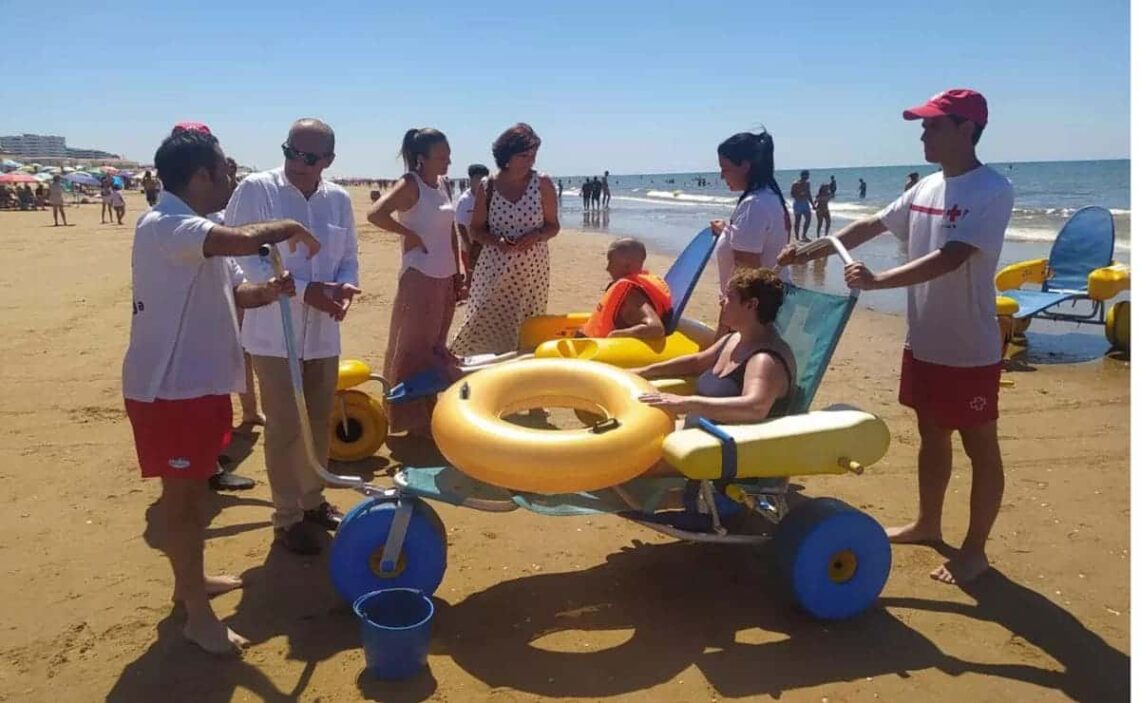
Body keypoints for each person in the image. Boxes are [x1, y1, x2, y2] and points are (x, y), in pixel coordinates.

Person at [779, 88, 1012, 585]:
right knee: (931, 432)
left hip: (970, 349)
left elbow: (952, 257)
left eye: (933, 125)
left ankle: (975, 551)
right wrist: (811, 249)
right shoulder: (927, 187)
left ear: (966, 129)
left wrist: (880, 280)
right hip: (924, 339)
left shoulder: (992, 190)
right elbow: (872, 223)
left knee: (980, 446)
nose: (923, 133)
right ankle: (929, 523)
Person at [122, 126, 320, 653]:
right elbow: (243, 240)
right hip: (170, 391)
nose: (231, 175)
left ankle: (190, 584)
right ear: (202, 174)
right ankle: (196, 615)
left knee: (191, 498)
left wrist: (271, 289)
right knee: (185, 505)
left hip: (202, 387)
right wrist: (291, 224)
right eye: (224, 167)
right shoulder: (165, 224)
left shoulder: (199, 230)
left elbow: (241, 292)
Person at [225, 118, 361, 556]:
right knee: (283, 426)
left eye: (308, 157)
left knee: (317, 421)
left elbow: (349, 256)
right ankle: (286, 518)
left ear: (328, 160)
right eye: (290, 152)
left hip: (323, 334)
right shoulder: (256, 191)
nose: (296, 163)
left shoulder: (338, 199)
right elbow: (243, 256)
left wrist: (344, 287)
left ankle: (313, 500)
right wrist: (308, 292)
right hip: (273, 334)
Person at [633, 268, 796, 478]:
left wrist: (684, 402)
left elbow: (755, 407)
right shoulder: (735, 338)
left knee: (630, 462)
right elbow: (696, 363)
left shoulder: (764, 359)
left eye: (729, 297)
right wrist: (644, 371)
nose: (721, 302)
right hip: (699, 435)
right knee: (625, 443)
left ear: (751, 305)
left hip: (726, 451)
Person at [368, 128, 463, 437]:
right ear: (421, 159)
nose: (448, 161)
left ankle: (427, 408)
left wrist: (459, 268)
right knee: (411, 347)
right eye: (442, 156)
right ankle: (407, 419)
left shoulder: (442, 184)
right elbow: (376, 213)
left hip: (444, 274)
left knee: (435, 345)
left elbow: (449, 230)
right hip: (419, 275)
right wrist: (408, 234)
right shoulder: (411, 184)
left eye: (449, 155)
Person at [450, 123, 559, 355]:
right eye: (524, 155)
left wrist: (537, 235)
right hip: (494, 267)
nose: (531, 160)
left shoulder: (543, 183)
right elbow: (476, 229)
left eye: (534, 154)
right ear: (506, 156)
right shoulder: (488, 187)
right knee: (484, 319)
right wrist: (497, 241)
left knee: (526, 325)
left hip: (532, 271)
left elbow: (553, 226)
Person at [709, 131, 790, 335]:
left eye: (725, 169)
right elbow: (752, 242)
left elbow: (747, 279)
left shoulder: (754, 205)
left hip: (751, 317)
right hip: (765, 310)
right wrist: (726, 232)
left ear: (745, 166)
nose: (721, 175)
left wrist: (723, 329)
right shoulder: (770, 198)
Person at [580, 238, 671, 339]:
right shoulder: (633, 289)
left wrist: (615, 335)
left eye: (611, 262)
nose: (607, 268)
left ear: (627, 266)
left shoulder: (631, 296)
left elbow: (656, 329)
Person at [454, 163, 491, 282]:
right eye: (478, 178)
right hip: (469, 246)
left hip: (486, 246)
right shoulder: (465, 200)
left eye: (483, 179)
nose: (481, 182)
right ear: (471, 179)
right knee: (472, 277)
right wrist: (467, 244)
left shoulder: (489, 196)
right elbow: (460, 224)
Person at [789, 170, 814, 242]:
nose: (807, 177)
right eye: (805, 175)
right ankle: (797, 237)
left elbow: (809, 194)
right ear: (802, 175)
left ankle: (804, 235)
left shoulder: (807, 183)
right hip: (798, 203)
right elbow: (792, 194)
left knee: (808, 218)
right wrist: (799, 194)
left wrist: (812, 204)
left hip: (805, 203)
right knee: (798, 220)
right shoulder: (795, 183)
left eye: (808, 175)